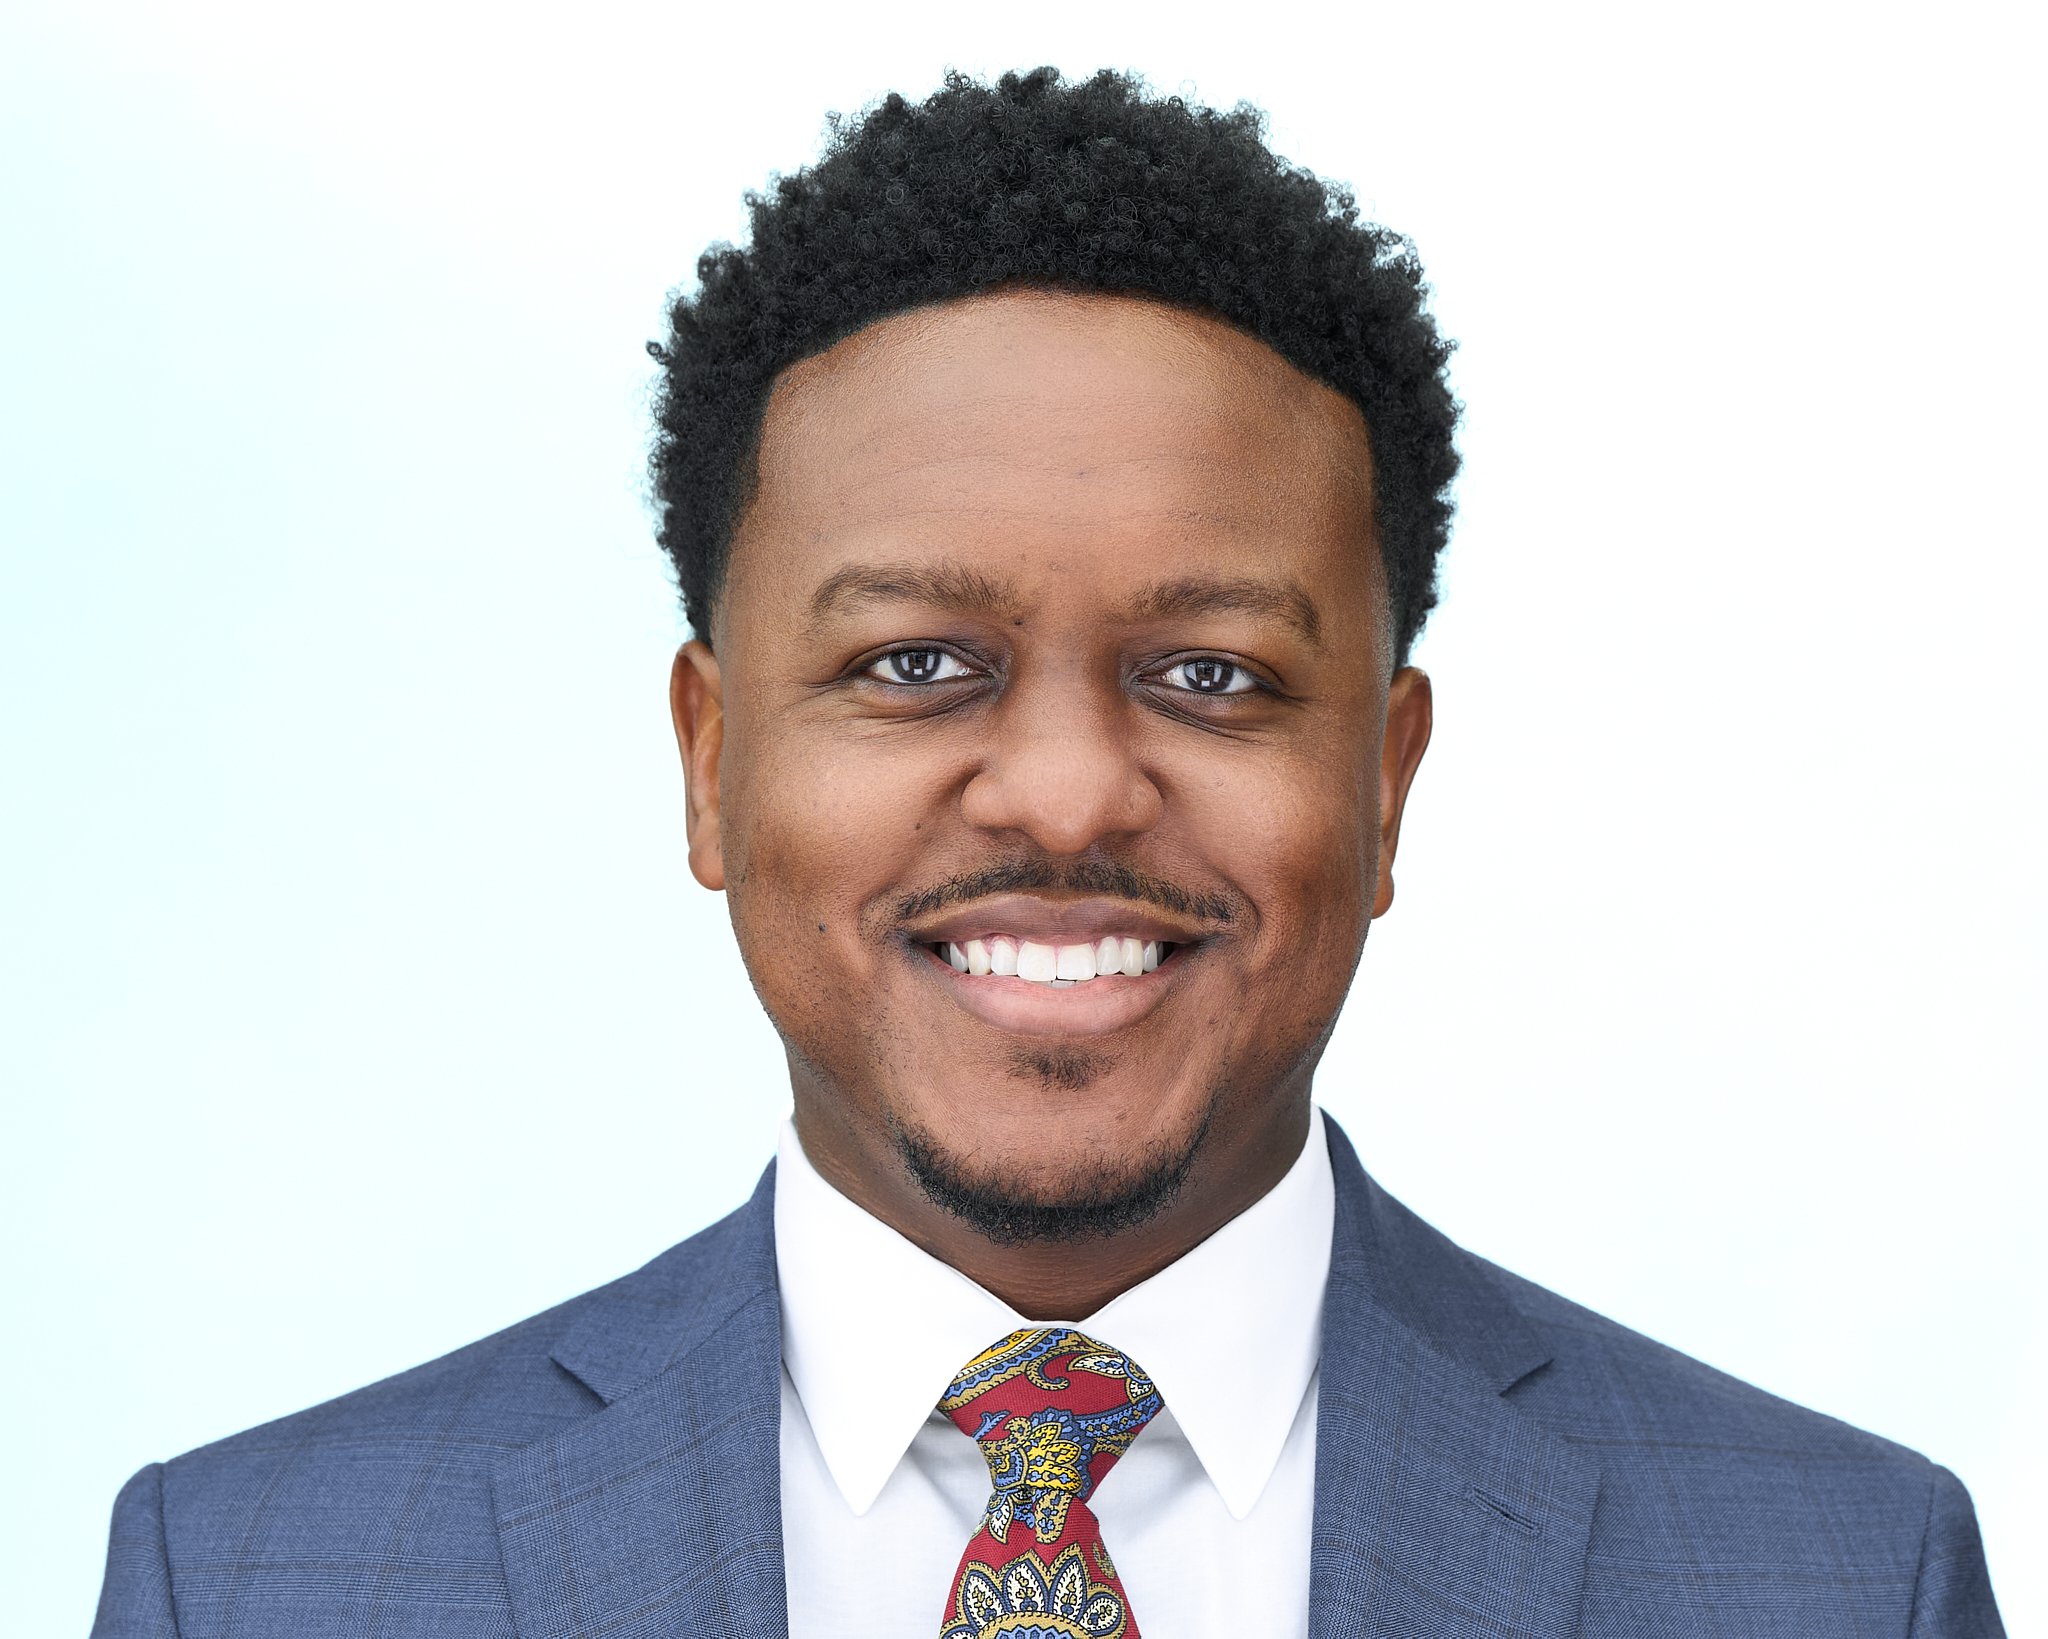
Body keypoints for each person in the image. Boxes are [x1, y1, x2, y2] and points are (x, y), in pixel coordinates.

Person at [90, 66, 2003, 1638]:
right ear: (711, 760)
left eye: (1211, 674)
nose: (1071, 796)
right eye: (919, 664)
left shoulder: (1843, 1582)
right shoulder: (248, 1583)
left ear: (1386, 781)